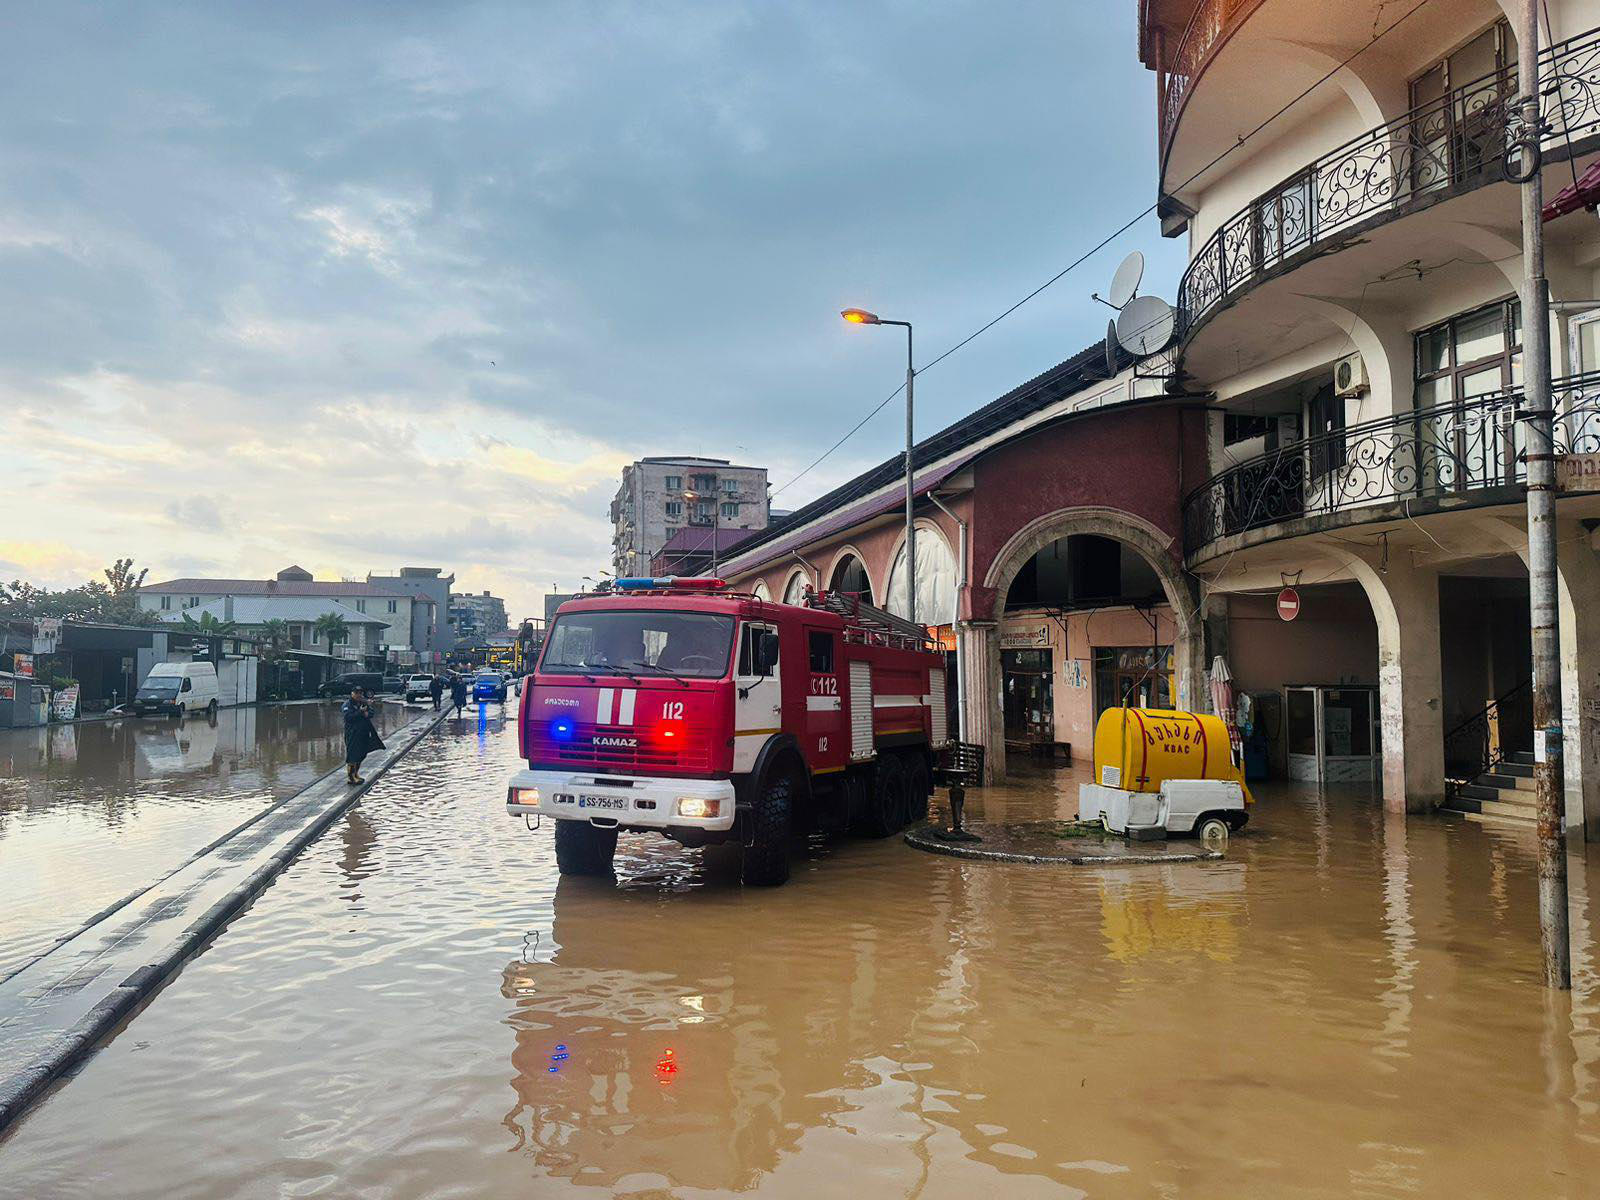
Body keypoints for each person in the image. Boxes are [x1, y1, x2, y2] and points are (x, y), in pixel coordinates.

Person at [342, 687, 385, 785]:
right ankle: (351, 777)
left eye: (360, 693)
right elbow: (348, 717)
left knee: (361, 754)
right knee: (353, 755)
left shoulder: (363, 703)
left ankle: (356, 774)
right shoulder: (347, 704)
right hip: (353, 733)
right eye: (356, 693)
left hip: (363, 732)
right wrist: (360, 712)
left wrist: (367, 713)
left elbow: (371, 713)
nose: (358, 695)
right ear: (352, 693)